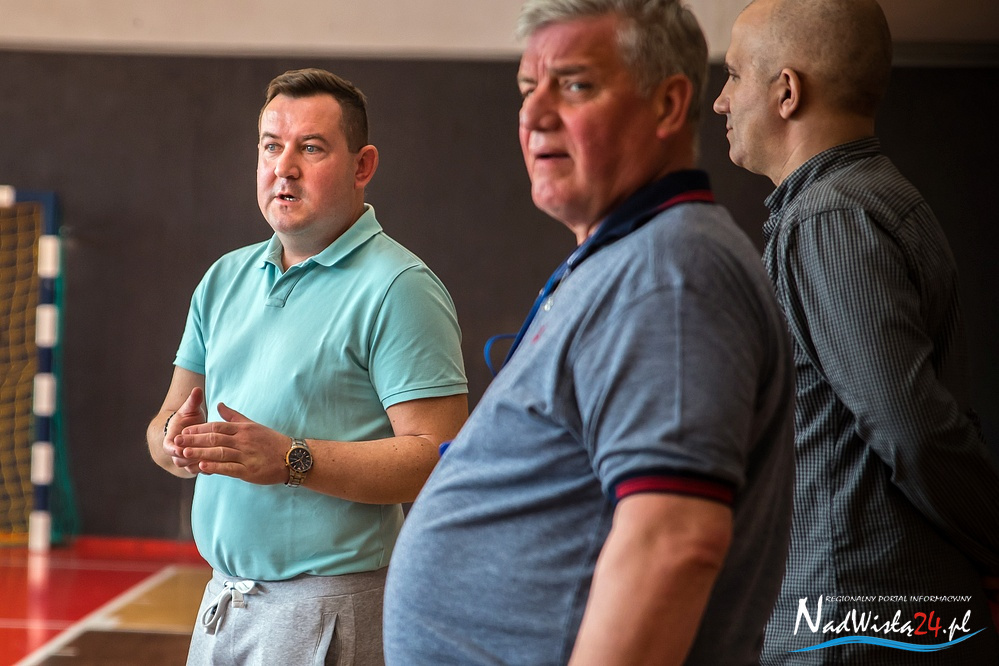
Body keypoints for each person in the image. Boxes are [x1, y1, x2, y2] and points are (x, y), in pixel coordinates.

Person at [383, 1, 795, 664]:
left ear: (667, 105)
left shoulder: (669, 274)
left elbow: (672, 544)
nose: (534, 114)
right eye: (528, 88)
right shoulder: (631, 258)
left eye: (574, 85)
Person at [145, 68, 468, 665]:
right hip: (221, 602)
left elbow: (438, 459)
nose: (284, 167)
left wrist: (292, 459)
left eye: (311, 148)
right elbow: (164, 422)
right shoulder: (224, 278)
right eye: (271, 146)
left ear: (362, 165)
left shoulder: (400, 287)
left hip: (328, 607)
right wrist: (175, 441)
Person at [713, 0, 999, 663]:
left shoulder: (828, 220)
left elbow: (913, 429)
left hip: (849, 629)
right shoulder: (874, 201)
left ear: (786, 91)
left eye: (732, 75)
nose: (721, 101)